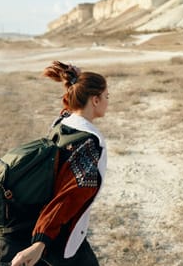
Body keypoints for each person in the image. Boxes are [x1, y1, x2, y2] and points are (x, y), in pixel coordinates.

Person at [10, 60, 109, 266]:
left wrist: (75, 81)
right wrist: (40, 242)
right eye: (106, 96)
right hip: (59, 237)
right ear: (95, 100)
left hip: (48, 225)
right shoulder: (89, 143)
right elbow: (68, 196)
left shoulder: (63, 123)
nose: (109, 101)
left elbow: (69, 108)